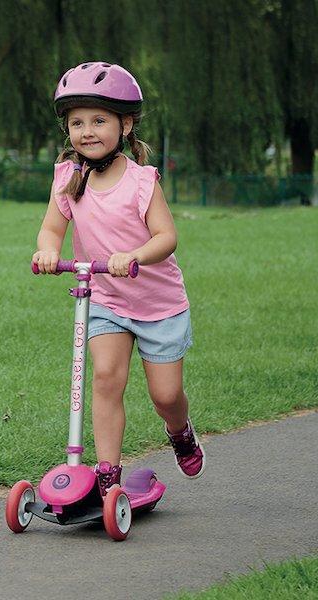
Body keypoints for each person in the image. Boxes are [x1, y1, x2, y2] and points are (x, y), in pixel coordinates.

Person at [32, 62, 204, 496]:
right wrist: (49, 250)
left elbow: (167, 237)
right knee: (106, 378)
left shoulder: (142, 181)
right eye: (77, 122)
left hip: (157, 305)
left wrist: (136, 255)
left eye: (99, 120)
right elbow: (53, 227)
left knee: (165, 396)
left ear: (125, 124)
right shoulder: (68, 176)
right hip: (105, 298)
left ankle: (180, 430)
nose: (87, 131)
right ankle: (108, 473)